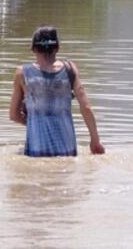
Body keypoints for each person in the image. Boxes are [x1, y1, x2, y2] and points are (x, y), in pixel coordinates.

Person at [9, 25, 105, 157]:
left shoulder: (22, 73)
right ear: (57, 47)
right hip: (67, 149)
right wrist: (95, 140)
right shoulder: (70, 69)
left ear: (33, 48)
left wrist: (34, 121)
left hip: (37, 149)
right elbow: (86, 108)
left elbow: (14, 115)